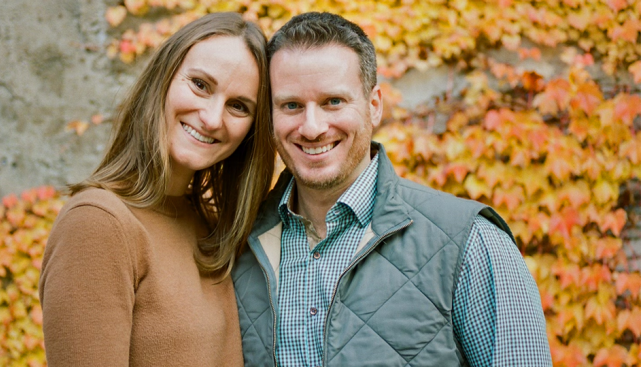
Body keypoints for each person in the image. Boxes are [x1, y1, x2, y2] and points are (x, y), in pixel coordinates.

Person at [233, 12, 552, 366]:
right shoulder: (238, 245)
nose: (312, 127)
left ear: (374, 106)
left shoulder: (471, 241)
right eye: (291, 105)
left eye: (333, 102)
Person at [38, 12, 276, 366]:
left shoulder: (210, 228)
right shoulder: (98, 224)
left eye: (238, 106)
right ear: (162, 79)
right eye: (200, 85)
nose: (212, 118)